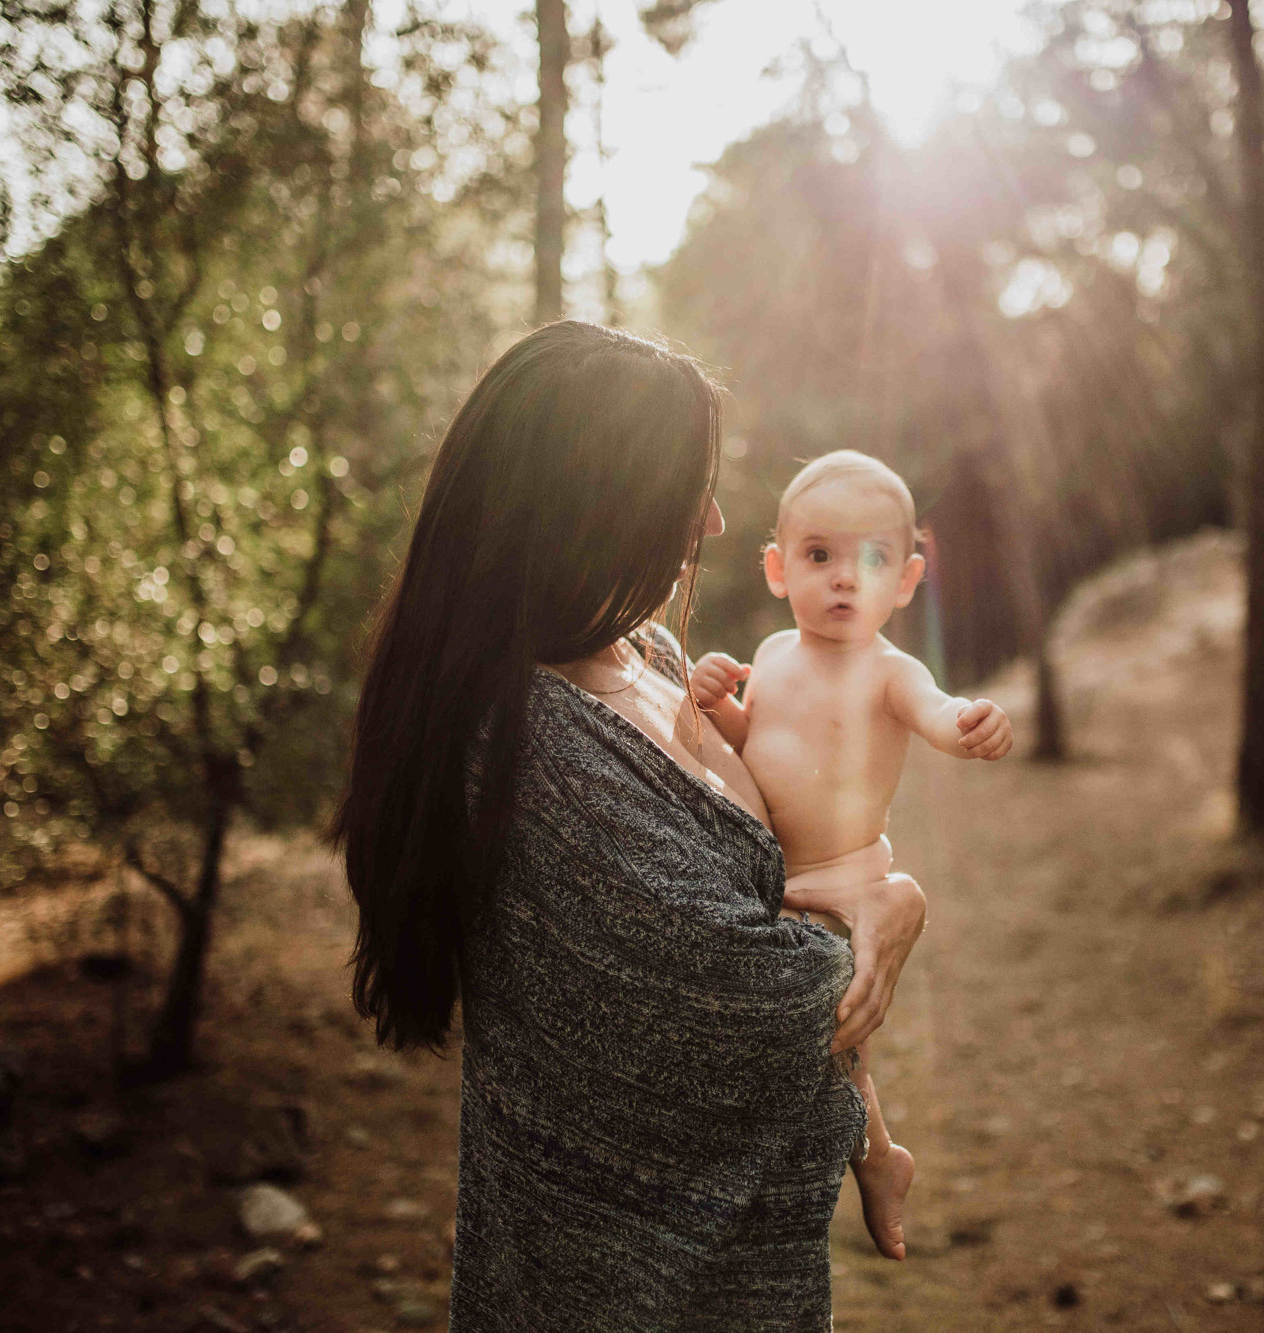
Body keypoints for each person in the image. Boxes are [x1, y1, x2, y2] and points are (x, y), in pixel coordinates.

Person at [332, 323, 927, 1331]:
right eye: (687, 490)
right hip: (613, 1283)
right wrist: (885, 912)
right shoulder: (529, 747)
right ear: (594, 501)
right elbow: (751, 1003)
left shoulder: (643, 651)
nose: (712, 521)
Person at [687, 450, 1014, 1262]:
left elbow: (937, 714)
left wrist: (970, 723)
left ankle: (876, 1160)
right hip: (773, 889)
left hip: (843, 893)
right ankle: (851, 1158)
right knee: (794, 1042)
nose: (843, 581)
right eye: (820, 556)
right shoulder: (769, 655)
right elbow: (748, 742)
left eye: (870, 561)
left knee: (831, 1040)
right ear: (777, 567)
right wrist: (715, 701)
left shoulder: (890, 671)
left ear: (906, 581)